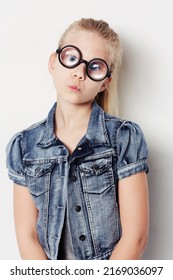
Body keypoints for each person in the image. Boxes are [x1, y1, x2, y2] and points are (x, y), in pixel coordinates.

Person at [6, 18, 149, 260]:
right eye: (72, 58)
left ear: (105, 82)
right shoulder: (24, 146)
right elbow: (27, 237)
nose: (79, 73)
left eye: (94, 67)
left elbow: (135, 238)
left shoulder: (123, 137)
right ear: (53, 62)